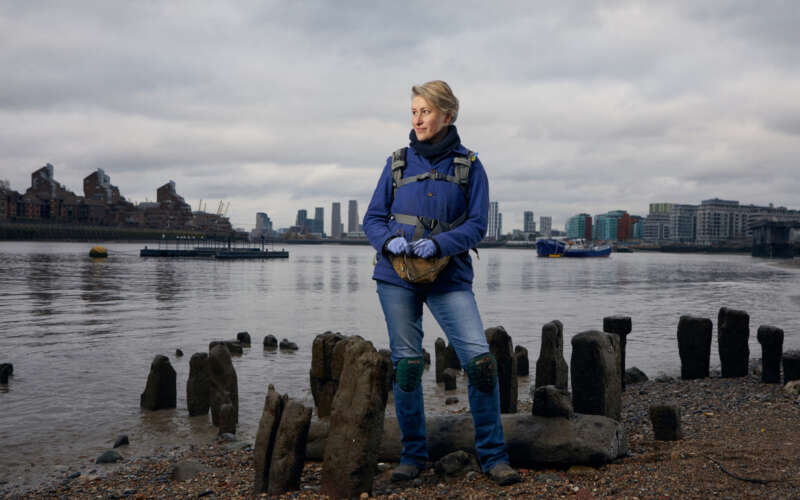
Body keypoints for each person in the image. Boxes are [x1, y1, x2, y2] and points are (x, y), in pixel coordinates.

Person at [363, 80, 521, 485]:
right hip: (395, 276)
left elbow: (477, 226)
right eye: (414, 111)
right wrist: (388, 241)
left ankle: (493, 457)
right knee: (408, 367)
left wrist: (439, 244)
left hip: (450, 276)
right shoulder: (396, 163)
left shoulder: (470, 165)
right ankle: (412, 456)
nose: (417, 119)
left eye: (426, 111)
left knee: (481, 364)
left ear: (447, 115)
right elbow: (372, 219)